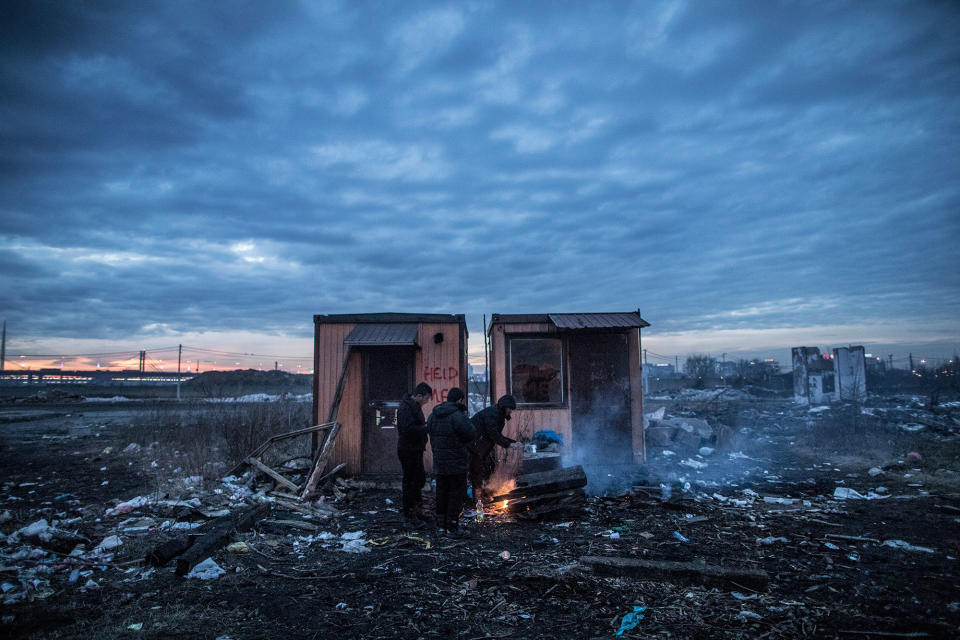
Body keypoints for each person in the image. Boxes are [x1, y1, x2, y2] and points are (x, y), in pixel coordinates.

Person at [426, 387, 476, 537]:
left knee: (441, 492)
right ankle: (452, 527)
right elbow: (471, 433)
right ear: (460, 400)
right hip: (456, 462)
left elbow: (429, 431)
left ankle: (441, 526)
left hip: (440, 461)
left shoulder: (433, 415)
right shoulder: (458, 416)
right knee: (455, 494)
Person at [468, 394, 518, 501]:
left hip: (479, 446)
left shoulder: (498, 415)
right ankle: (477, 500)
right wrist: (509, 444)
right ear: (504, 406)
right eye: (510, 408)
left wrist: (513, 443)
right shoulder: (492, 414)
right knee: (476, 471)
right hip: (474, 446)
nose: (510, 411)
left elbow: (497, 435)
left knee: (481, 469)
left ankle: (480, 495)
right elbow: (493, 435)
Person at [397, 381, 433, 524]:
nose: (427, 402)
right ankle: (410, 514)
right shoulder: (406, 408)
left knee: (418, 480)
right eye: (426, 398)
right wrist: (426, 428)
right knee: (411, 482)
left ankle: (417, 511)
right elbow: (408, 430)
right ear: (418, 395)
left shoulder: (414, 406)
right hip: (408, 450)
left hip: (414, 449)